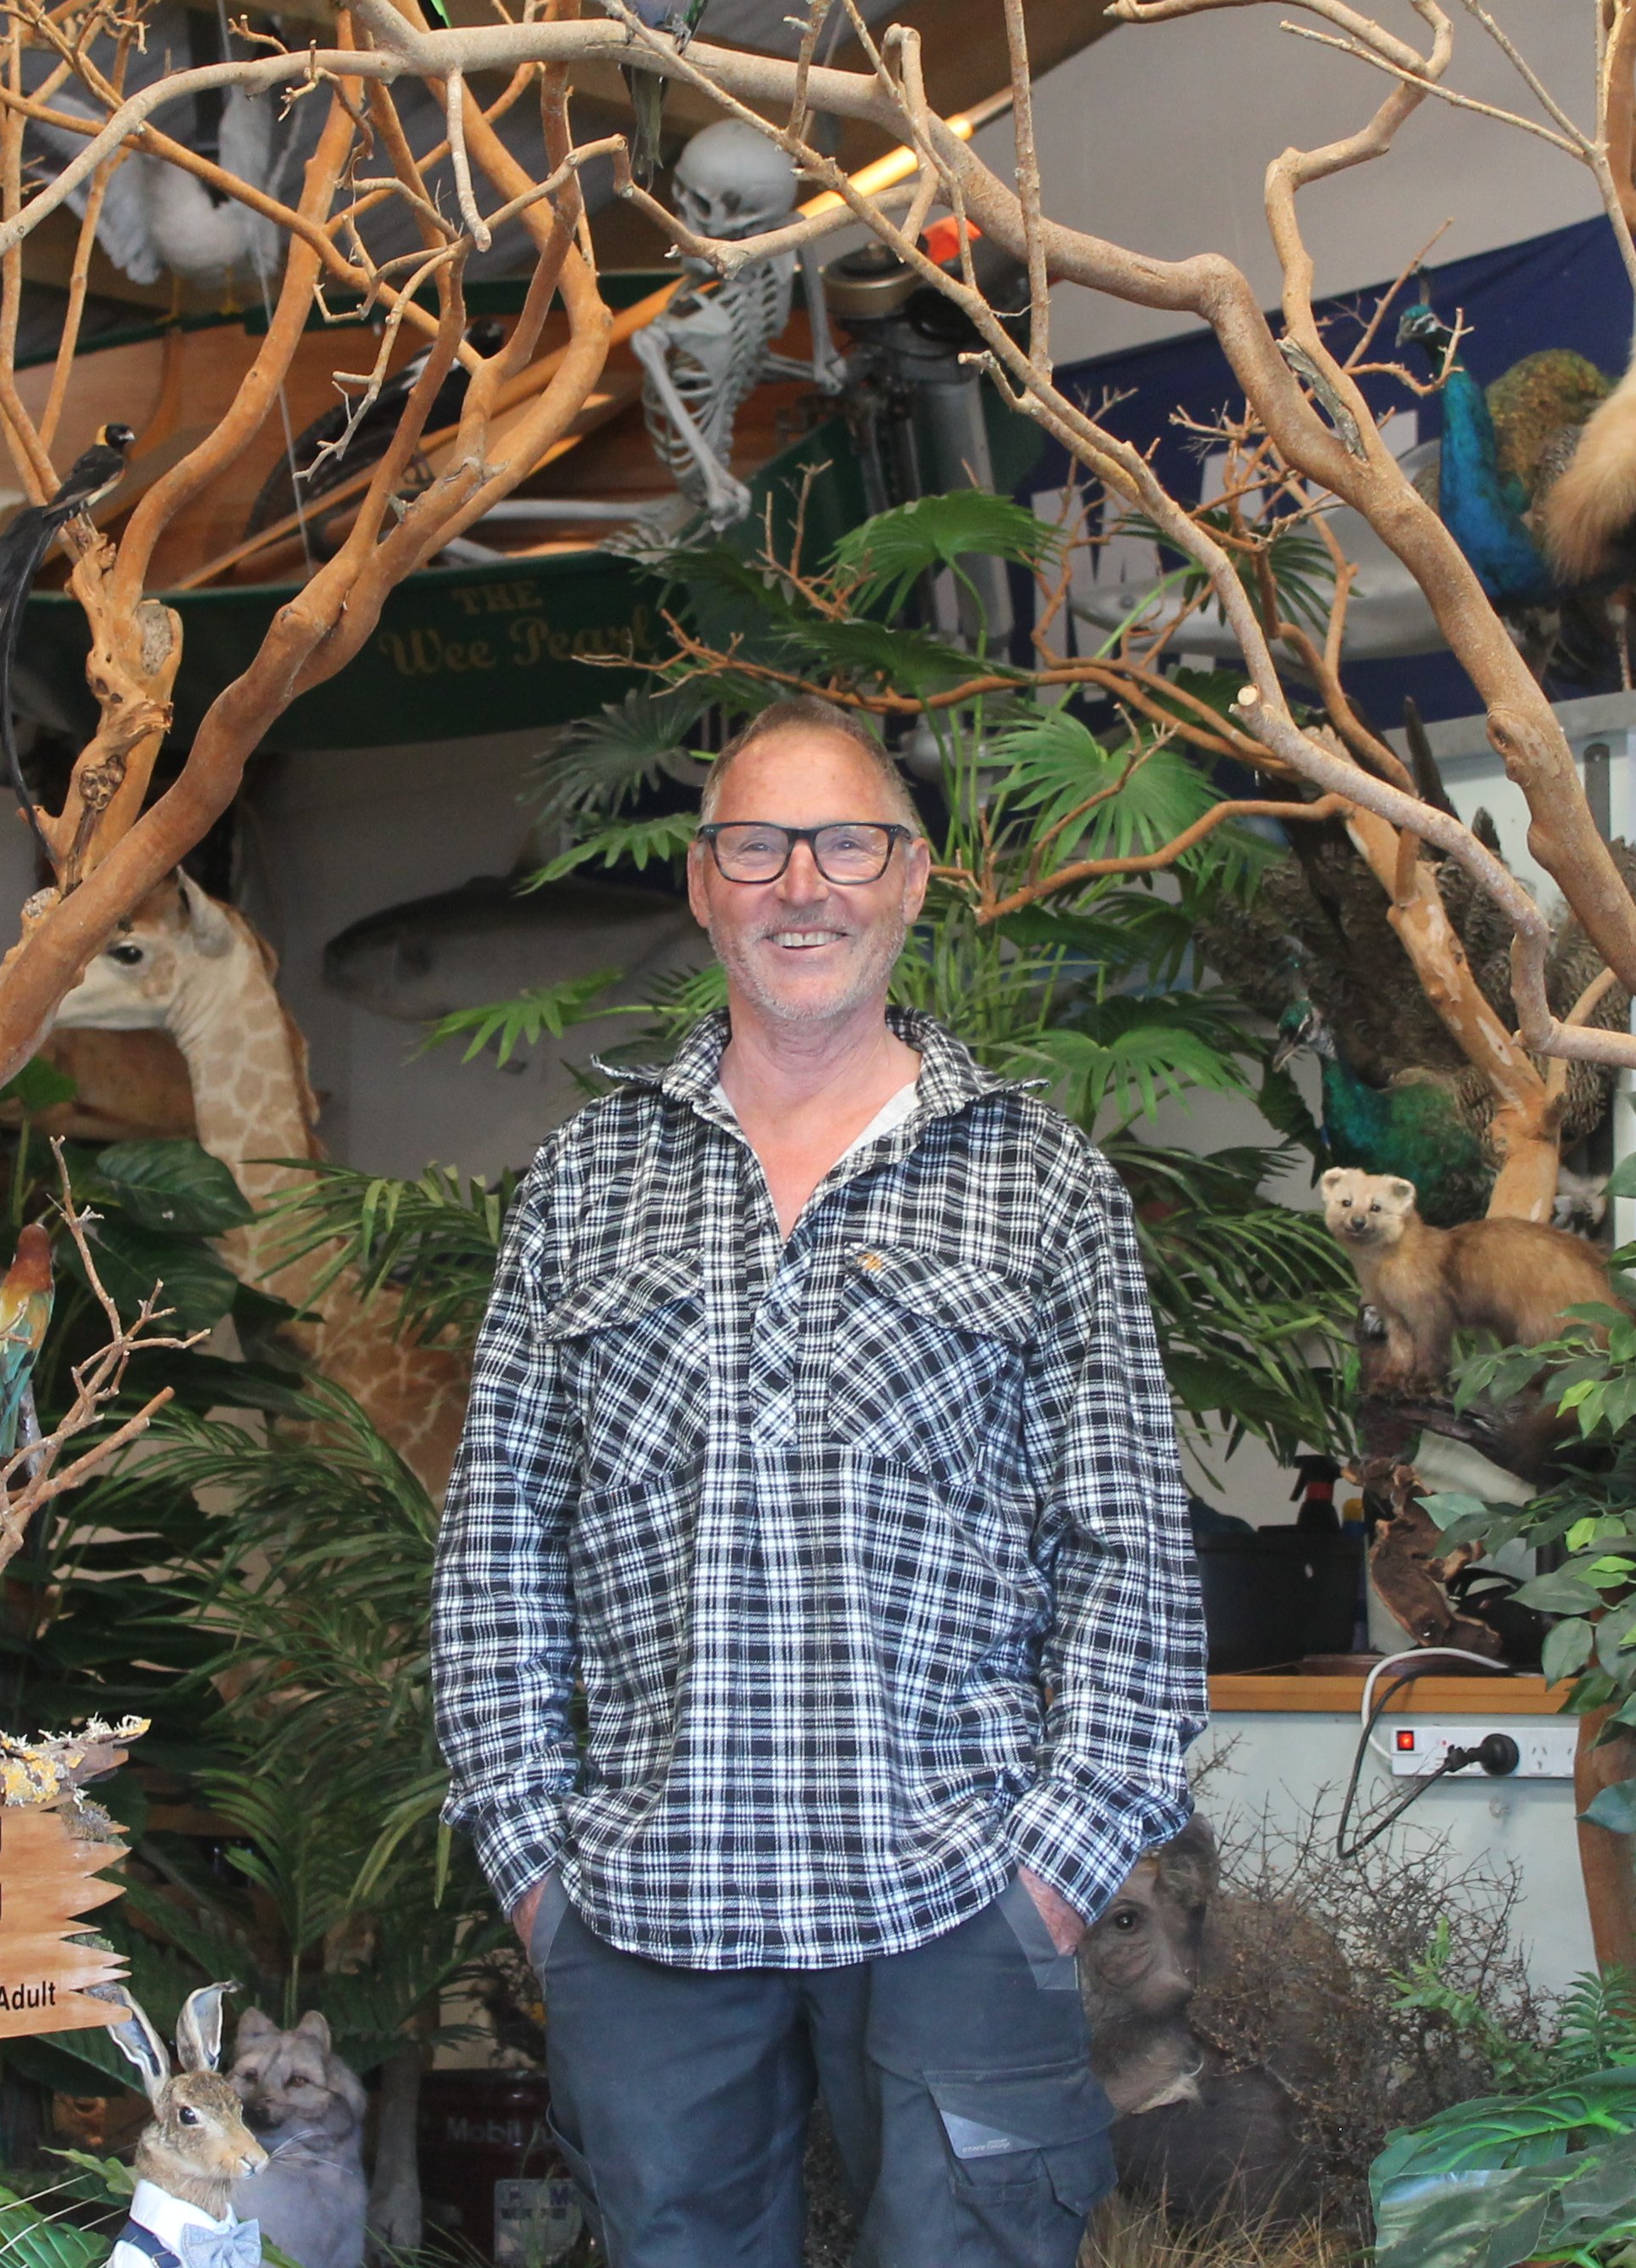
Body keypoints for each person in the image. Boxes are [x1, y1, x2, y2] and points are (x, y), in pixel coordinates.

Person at [430, 697, 1205, 2265]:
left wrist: (1054, 1875)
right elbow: (497, 1538)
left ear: (912, 880)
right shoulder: (588, 1182)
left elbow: (1128, 1554)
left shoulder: (1038, 1181)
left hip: (959, 1903)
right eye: (756, 846)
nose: (804, 885)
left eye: (848, 844)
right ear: (706, 886)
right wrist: (530, 1860)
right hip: (647, 1906)